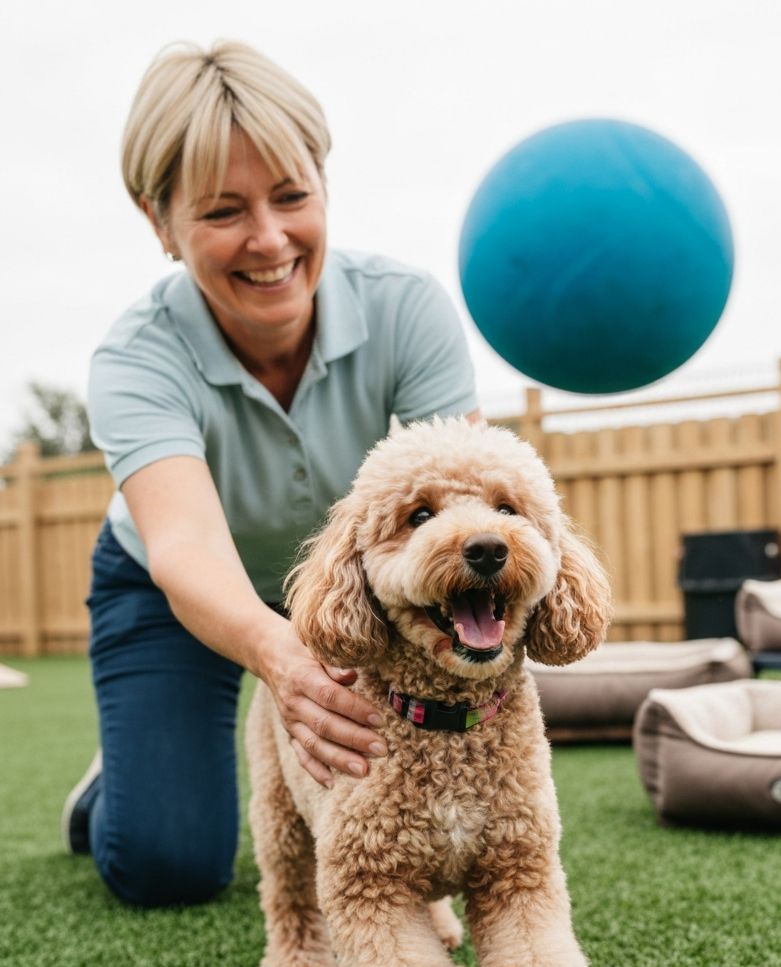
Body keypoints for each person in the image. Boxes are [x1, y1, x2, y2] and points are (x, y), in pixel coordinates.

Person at [61, 40, 479, 908]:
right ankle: (121, 779)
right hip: (172, 591)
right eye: (222, 212)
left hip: (351, 581)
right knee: (168, 867)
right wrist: (279, 656)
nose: (269, 239)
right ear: (157, 221)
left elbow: (470, 503)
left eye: (292, 197)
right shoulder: (135, 359)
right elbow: (183, 547)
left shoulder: (407, 307)